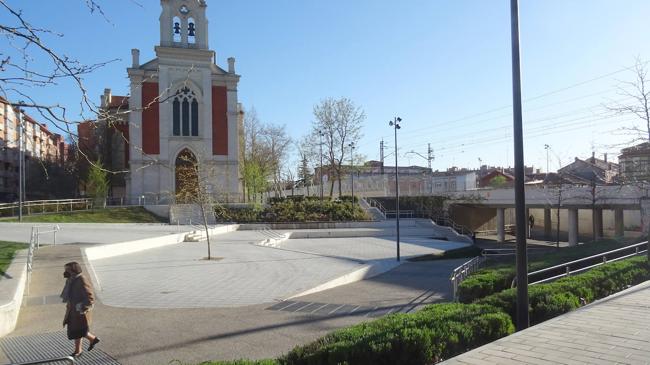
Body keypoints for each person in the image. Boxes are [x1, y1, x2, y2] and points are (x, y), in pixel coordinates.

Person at [61, 262, 100, 358]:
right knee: (77, 330)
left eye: (67, 270)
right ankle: (90, 342)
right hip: (72, 310)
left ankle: (79, 350)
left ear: (74, 270)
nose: (65, 272)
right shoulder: (71, 280)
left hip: (79, 311)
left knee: (78, 331)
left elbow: (90, 297)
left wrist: (82, 308)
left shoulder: (81, 279)